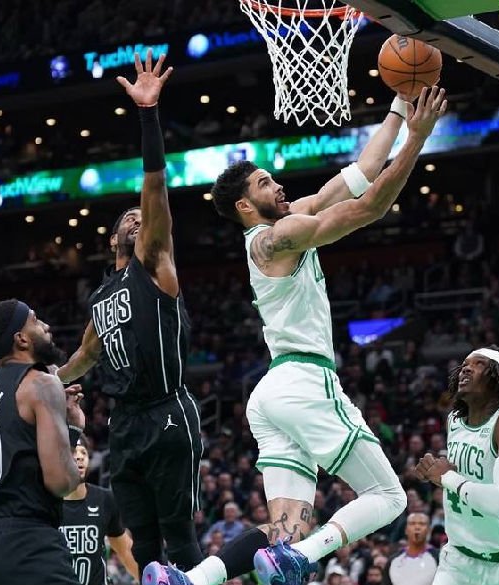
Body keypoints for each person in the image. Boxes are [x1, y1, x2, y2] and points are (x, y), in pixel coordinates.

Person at [145, 86, 447, 585]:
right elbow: (368, 207)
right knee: (390, 496)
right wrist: (417, 138)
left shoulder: (282, 224)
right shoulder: (274, 239)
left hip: (273, 394)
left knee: (282, 534)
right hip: (305, 382)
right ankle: (303, 556)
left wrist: (397, 107)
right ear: (246, 205)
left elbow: (360, 174)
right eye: (266, 183)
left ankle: (189, 580)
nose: (278, 185)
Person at [57, 51, 204, 572]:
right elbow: (85, 355)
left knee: (178, 536)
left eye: (143, 216)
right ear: (112, 238)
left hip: (167, 410)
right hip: (124, 423)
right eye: (128, 217)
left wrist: (148, 115)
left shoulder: (155, 264)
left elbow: (155, 187)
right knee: (143, 543)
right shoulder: (101, 296)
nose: (138, 218)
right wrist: (47, 380)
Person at [0, 299, 84, 585]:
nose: (46, 326)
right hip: (27, 545)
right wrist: (73, 428)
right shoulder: (41, 383)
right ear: (21, 339)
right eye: (35, 320)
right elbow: (61, 482)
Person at [414, 346, 499, 585]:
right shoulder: (455, 420)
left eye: (479, 364)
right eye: (465, 364)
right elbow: (461, 475)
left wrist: (447, 478)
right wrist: (433, 471)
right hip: (459, 563)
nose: (466, 369)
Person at [61, 437, 138, 585]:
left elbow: (125, 551)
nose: (79, 457)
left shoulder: (104, 499)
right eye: (73, 452)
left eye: (84, 452)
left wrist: (149, 579)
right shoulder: (46, 503)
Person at [383, 513, 437, 585]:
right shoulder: (393, 560)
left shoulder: (439, 558)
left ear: (429, 530)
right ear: (406, 530)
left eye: (422, 524)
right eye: (412, 523)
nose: (417, 527)